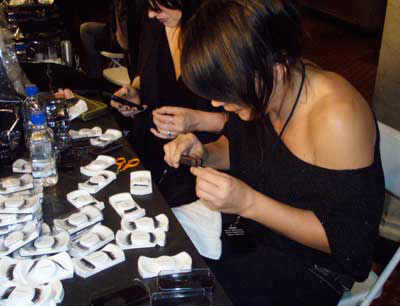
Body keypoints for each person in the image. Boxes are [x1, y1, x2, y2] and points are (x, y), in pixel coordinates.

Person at [163, 0, 385, 305]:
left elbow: (348, 243)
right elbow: (242, 150)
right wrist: (203, 153)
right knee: (166, 253)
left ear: (274, 70)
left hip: (316, 266)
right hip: (259, 232)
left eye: (224, 92)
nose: (216, 103)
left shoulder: (336, 117)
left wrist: (248, 203)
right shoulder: (268, 92)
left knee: (193, 295)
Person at [110, 0, 227, 205]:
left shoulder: (221, 34)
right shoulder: (155, 25)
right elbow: (147, 78)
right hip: (150, 157)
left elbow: (250, 125)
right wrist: (136, 94)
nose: (151, 14)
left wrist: (197, 121)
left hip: (203, 170)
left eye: (158, 5)